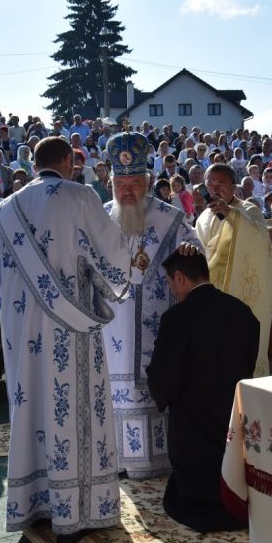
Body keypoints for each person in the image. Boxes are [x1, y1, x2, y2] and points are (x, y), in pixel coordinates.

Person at [0, 136, 132, 543]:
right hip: (71, 327)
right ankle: (76, 511)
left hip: (22, 331)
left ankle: (35, 503)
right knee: (74, 407)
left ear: (34, 164)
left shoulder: (1, 211)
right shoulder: (79, 195)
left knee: (33, 405)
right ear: (67, 161)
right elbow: (113, 261)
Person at [101, 132, 203, 480]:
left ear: (147, 181)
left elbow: (195, 254)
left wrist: (191, 254)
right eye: (120, 183)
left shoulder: (171, 219)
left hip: (156, 326)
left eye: (134, 183)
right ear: (110, 182)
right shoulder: (101, 219)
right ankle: (117, 460)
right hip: (111, 330)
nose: (127, 191)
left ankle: (155, 461)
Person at [146, 250, 256, 533]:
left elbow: (163, 376)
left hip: (191, 429)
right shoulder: (242, 312)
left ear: (180, 278)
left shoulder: (176, 318)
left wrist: (161, 392)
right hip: (231, 420)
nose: (172, 290)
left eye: (171, 283)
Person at [195, 163, 272, 377]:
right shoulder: (204, 217)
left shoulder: (248, 210)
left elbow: (261, 240)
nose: (214, 188)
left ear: (233, 185)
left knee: (238, 356)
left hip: (238, 295)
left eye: (220, 183)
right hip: (210, 294)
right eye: (210, 183)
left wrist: (231, 214)